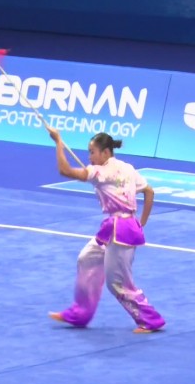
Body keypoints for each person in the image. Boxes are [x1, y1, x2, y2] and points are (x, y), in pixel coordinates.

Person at [45, 125, 165, 334]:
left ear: (106, 152)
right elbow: (149, 191)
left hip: (122, 232)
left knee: (118, 283)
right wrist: (141, 222)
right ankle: (80, 314)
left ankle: (150, 320)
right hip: (114, 228)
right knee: (86, 258)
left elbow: (64, 170)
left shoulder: (101, 171)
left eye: (92, 152)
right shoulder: (127, 168)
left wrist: (58, 142)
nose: (89, 157)